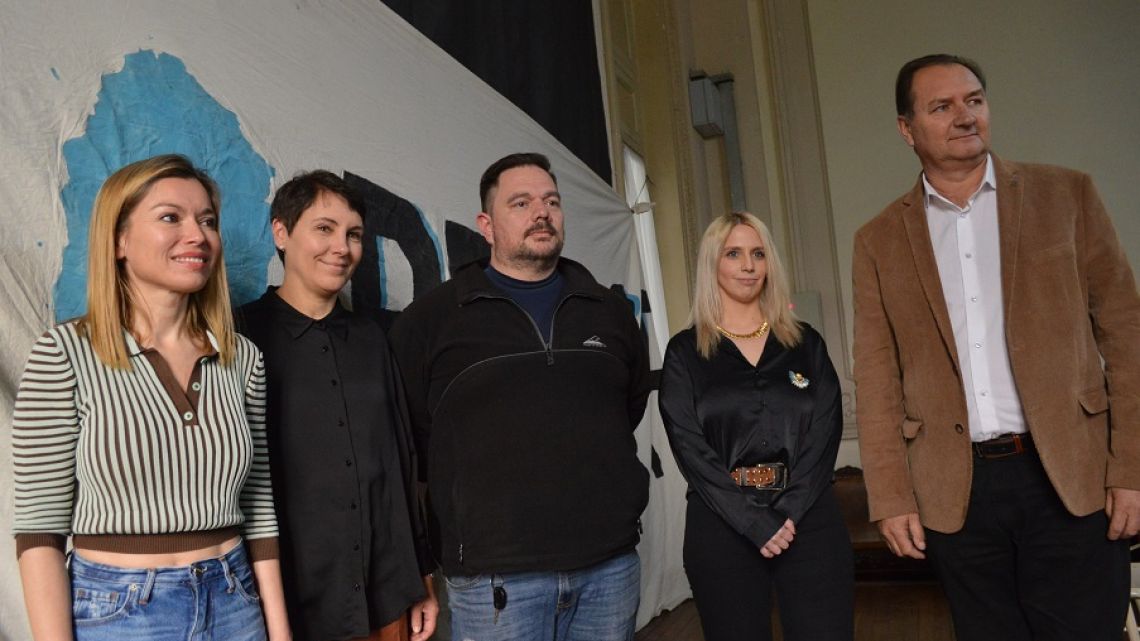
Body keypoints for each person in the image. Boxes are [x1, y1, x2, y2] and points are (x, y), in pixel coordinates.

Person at [853, 54, 1139, 641]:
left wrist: (1132, 466)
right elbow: (876, 376)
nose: (965, 115)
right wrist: (890, 496)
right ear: (907, 129)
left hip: (1071, 474)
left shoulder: (1067, 196)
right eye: (942, 106)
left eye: (974, 100)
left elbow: (1127, 334)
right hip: (957, 491)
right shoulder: (878, 240)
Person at [11, 154, 288, 640]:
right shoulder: (64, 353)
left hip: (235, 598)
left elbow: (259, 506)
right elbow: (40, 530)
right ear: (119, 240)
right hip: (121, 612)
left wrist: (279, 632)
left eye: (207, 221)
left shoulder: (243, 359)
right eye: (170, 217)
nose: (198, 235)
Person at [388, 152, 650, 641]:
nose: (541, 213)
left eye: (551, 201)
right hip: (496, 581)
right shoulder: (433, 320)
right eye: (522, 202)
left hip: (609, 569)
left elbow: (625, 410)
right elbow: (414, 440)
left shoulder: (610, 312)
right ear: (486, 225)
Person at [237, 171, 438, 641]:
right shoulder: (241, 336)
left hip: (386, 595)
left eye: (353, 235)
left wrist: (422, 576)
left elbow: (402, 465)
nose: (342, 248)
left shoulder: (373, 340)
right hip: (290, 603)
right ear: (281, 232)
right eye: (324, 229)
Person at [659, 212, 853, 641]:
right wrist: (752, 522)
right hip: (721, 525)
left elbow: (825, 433)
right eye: (734, 254)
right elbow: (690, 449)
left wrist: (786, 513)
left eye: (758, 254)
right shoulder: (684, 354)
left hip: (809, 520)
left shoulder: (806, 344)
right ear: (713, 264)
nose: (748, 265)